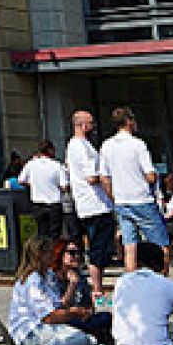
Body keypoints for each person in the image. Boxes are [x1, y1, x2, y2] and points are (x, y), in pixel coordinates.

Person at [7, 237, 108, 345]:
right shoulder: (33, 280)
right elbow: (48, 317)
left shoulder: (48, 275)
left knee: (93, 342)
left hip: (47, 327)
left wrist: (73, 287)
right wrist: (74, 312)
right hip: (29, 331)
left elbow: (59, 306)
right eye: (49, 252)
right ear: (40, 255)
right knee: (84, 340)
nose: (52, 255)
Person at [98, 108, 164, 274]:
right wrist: (154, 177)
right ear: (129, 122)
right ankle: (161, 280)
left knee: (129, 247)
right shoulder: (138, 144)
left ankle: (131, 282)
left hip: (121, 201)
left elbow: (104, 177)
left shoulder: (106, 145)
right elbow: (150, 175)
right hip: (142, 199)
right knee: (160, 245)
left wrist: (113, 196)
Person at [65, 110, 116, 301]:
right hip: (95, 204)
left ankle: (95, 286)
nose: (93, 126)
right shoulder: (80, 147)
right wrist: (108, 179)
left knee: (99, 246)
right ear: (82, 125)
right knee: (99, 247)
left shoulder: (79, 146)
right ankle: (97, 288)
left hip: (91, 204)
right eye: (91, 123)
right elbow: (92, 177)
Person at [18, 142, 68, 243]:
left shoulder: (31, 164)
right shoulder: (57, 165)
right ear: (50, 150)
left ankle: (42, 256)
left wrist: (33, 184)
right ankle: (53, 257)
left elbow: (21, 180)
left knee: (41, 235)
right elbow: (65, 186)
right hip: (54, 204)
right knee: (55, 235)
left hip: (37, 204)